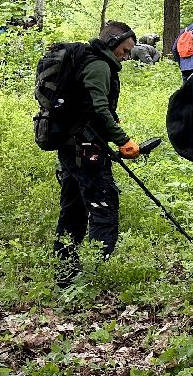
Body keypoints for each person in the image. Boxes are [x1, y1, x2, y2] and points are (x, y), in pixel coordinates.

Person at [54, 21, 141, 284]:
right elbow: (98, 109)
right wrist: (123, 140)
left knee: (73, 208)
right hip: (86, 149)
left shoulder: (88, 61)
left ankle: (64, 272)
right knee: (104, 205)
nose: (126, 57)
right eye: (124, 51)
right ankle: (95, 275)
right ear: (112, 44)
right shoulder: (99, 65)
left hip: (71, 147)